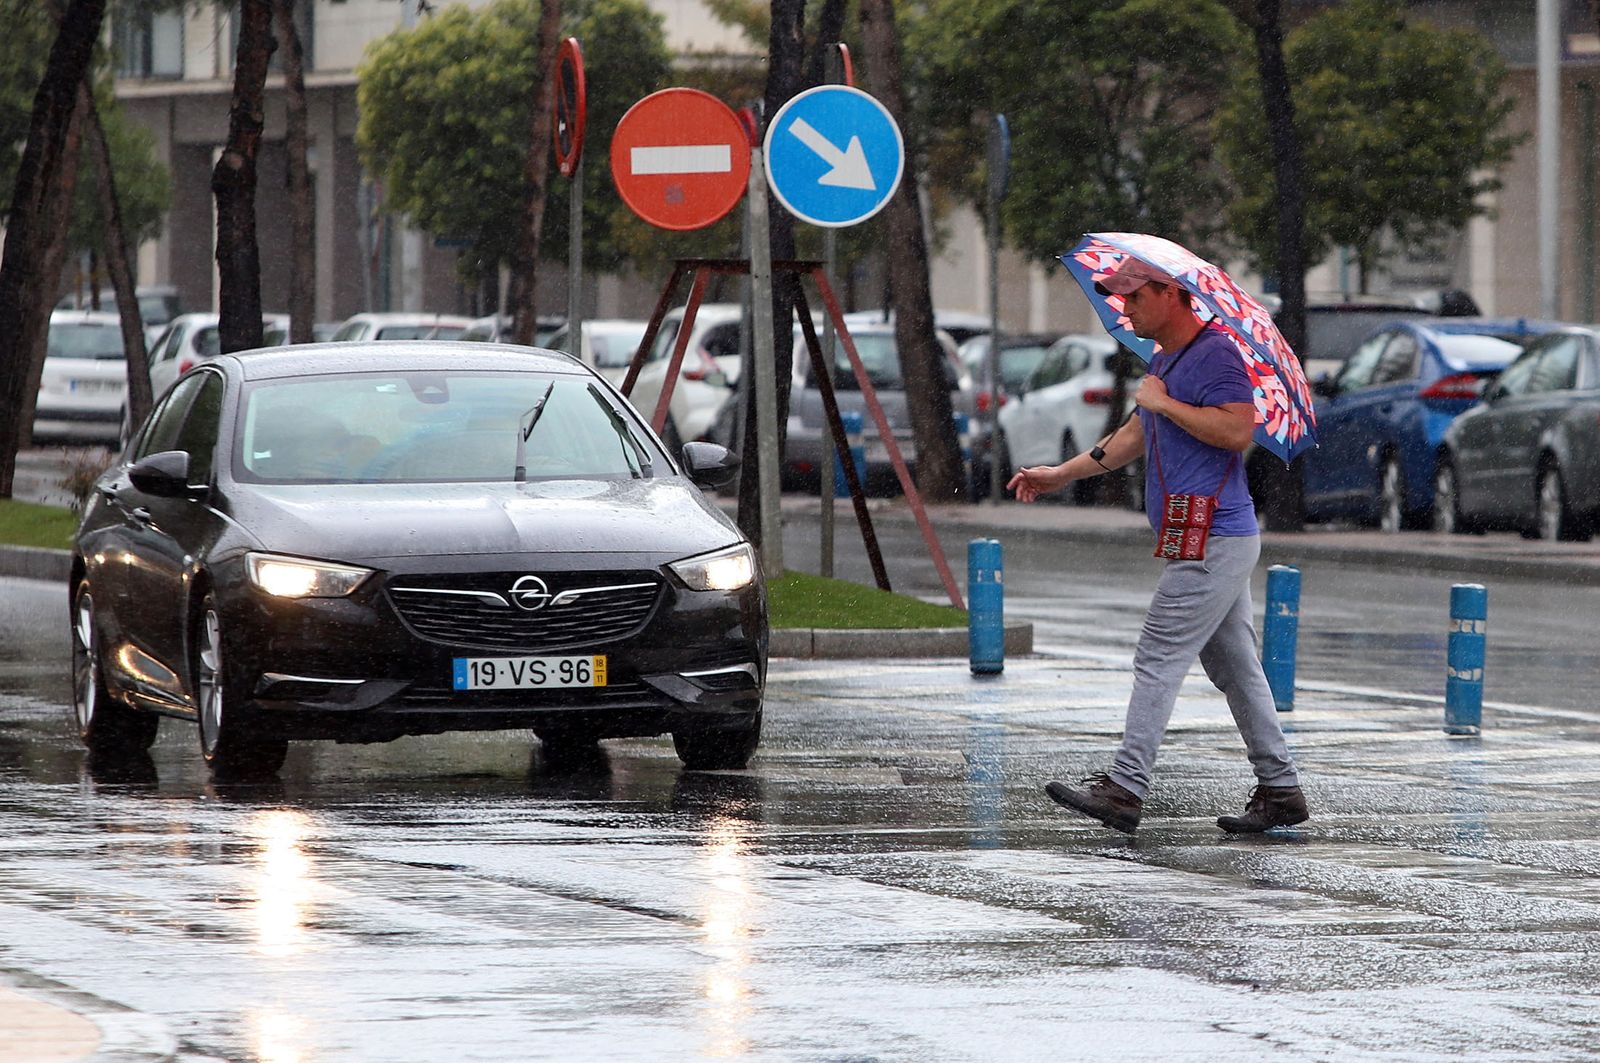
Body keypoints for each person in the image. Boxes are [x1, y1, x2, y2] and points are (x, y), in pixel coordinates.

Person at [1007, 257, 1308, 835]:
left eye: (1134, 297)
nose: (1125, 308)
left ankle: (1125, 787)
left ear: (1170, 293)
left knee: (1157, 655)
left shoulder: (1217, 352)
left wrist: (1165, 402)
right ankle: (1280, 789)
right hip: (1199, 533)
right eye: (1120, 298)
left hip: (1214, 534)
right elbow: (1135, 434)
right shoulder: (1167, 358)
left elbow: (1237, 431)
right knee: (1236, 668)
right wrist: (1060, 474)